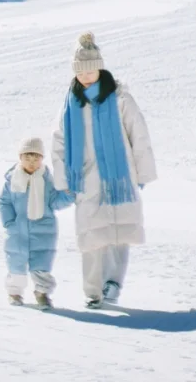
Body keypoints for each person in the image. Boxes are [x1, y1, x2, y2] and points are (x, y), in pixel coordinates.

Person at [52, 32, 156, 308]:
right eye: (80, 71)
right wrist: (63, 180)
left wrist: (142, 173)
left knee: (118, 232)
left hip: (120, 177)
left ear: (100, 67)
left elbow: (139, 134)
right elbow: (60, 141)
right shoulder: (72, 103)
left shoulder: (120, 97)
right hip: (86, 177)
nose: (86, 76)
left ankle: (113, 284)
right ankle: (92, 290)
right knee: (91, 234)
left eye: (90, 70)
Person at [0, 135, 74, 309]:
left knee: (42, 265)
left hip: (43, 230)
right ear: (20, 158)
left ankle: (42, 293)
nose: (32, 162)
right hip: (17, 231)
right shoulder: (12, 180)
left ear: (42, 159)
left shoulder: (47, 180)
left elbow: (55, 202)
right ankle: (15, 292)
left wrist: (69, 195)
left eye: (36, 158)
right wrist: (9, 222)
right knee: (16, 263)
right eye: (27, 158)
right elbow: (3, 201)